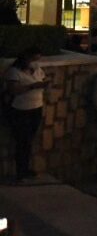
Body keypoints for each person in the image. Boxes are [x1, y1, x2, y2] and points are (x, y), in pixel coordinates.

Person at [5, 46, 47, 181]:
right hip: (21, 110)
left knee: (29, 140)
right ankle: (20, 171)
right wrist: (32, 86)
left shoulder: (37, 70)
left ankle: (26, 168)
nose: (36, 62)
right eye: (34, 59)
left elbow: (42, 79)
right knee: (22, 141)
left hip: (36, 108)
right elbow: (13, 90)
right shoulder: (14, 72)